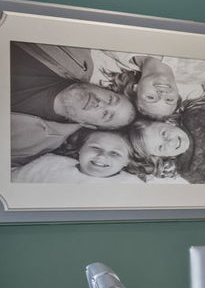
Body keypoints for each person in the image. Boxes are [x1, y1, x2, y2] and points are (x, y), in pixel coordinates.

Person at [9, 42, 136, 160]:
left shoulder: (32, 145)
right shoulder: (76, 52)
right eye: (110, 99)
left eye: (105, 114)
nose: (101, 104)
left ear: (88, 125)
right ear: (105, 88)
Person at [10, 130, 141, 183]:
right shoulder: (50, 164)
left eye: (115, 153)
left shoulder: (132, 184)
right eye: (95, 147)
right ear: (80, 149)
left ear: (126, 162)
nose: (102, 156)